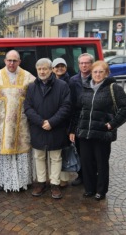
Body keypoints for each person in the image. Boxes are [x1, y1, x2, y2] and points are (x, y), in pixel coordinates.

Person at [69, 60, 126, 201]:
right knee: (86, 162)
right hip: (84, 133)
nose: (97, 74)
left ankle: (101, 190)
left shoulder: (113, 88)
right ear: (91, 73)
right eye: (95, 72)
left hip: (102, 133)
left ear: (107, 73)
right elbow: (77, 111)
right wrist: (73, 130)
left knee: (101, 163)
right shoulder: (86, 87)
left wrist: (112, 124)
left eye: (100, 72)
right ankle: (89, 188)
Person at [24, 58, 71, 199]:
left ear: (51, 70)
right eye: (39, 69)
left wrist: (52, 122)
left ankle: (55, 185)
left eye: (45, 68)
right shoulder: (31, 87)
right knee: (39, 156)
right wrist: (40, 122)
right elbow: (27, 107)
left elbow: (66, 106)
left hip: (56, 127)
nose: (42, 71)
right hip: (38, 128)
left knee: (56, 157)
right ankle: (41, 183)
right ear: (36, 70)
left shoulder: (62, 86)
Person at [0, 50, 35, 192]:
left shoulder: (29, 77)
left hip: (22, 124)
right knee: (5, 149)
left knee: (21, 150)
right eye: (9, 60)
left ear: (19, 62)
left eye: (15, 61)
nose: (12, 63)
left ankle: (22, 181)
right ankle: (3, 181)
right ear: (5, 61)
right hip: (2, 125)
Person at [68, 53, 94, 186]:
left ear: (91, 64)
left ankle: (92, 176)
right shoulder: (73, 80)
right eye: (81, 63)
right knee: (79, 150)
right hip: (78, 121)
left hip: (92, 120)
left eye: (87, 63)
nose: (84, 65)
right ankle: (82, 175)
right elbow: (71, 105)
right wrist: (72, 129)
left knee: (92, 151)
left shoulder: (97, 78)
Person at [51, 57, 71, 188]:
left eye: (62, 66)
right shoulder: (50, 82)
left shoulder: (70, 82)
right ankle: (54, 177)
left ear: (66, 67)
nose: (59, 68)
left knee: (63, 151)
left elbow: (69, 105)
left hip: (64, 121)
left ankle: (63, 178)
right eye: (57, 66)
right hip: (52, 121)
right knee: (54, 152)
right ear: (52, 69)